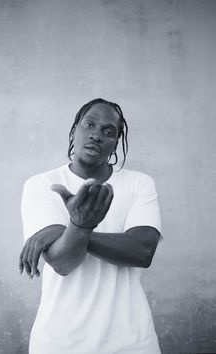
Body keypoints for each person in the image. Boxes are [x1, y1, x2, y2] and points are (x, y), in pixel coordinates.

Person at [19, 98, 162, 354]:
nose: (96, 135)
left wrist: (76, 229)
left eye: (108, 132)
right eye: (89, 124)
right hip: (59, 343)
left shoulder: (140, 183)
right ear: (75, 131)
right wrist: (78, 230)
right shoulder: (42, 185)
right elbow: (62, 262)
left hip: (131, 342)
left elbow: (142, 252)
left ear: (115, 144)